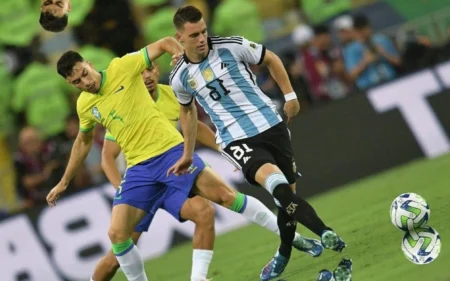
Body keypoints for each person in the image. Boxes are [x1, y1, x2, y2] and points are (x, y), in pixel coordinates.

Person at [45, 37, 320, 281]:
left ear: (90, 64)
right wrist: (64, 181)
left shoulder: (124, 68)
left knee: (223, 198)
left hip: (171, 154)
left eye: (84, 74)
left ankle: (292, 239)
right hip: (139, 170)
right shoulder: (86, 103)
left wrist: (180, 56)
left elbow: (165, 44)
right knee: (117, 237)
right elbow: (84, 142)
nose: (86, 82)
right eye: (77, 82)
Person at [169, 6, 349, 281]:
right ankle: (324, 230)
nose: (202, 38)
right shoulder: (179, 77)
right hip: (235, 138)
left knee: (287, 198)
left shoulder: (232, 45)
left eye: (204, 31)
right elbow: (188, 112)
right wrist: (188, 153)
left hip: (272, 125)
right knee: (277, 187)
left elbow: (272, 59)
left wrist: (290, 96)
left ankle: (284, 253)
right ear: (179, 38)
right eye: (194, 35)